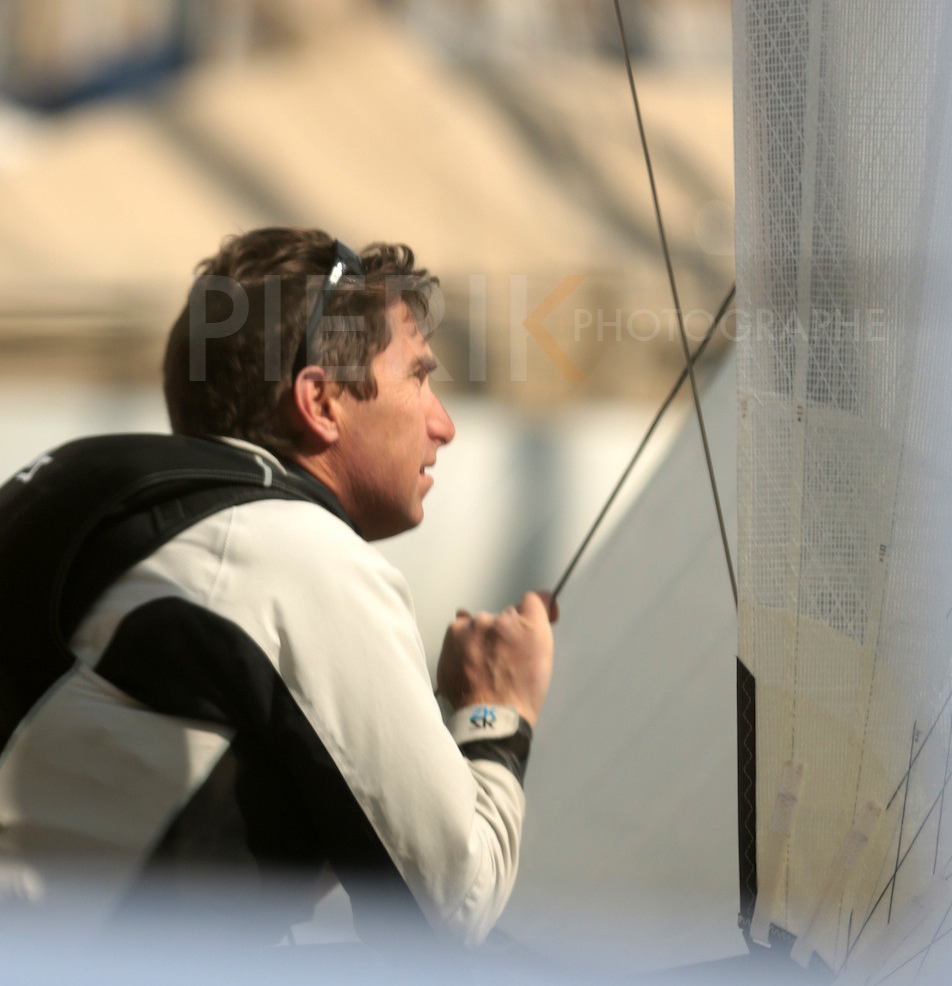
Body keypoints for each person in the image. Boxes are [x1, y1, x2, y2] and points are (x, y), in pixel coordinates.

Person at [0, 227, 556, 944]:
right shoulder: (293, 552)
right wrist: (494, 710)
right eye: (419, 378)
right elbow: (452, 903)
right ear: (319, 402)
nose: (442, 424)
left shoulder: (97, 492)